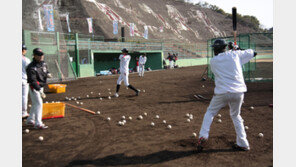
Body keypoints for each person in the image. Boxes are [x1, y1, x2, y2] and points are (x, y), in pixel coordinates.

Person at [197, 39, 257, 152]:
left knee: (210, 112)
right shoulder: (235, 55)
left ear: (216, 49)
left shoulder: (213, 61)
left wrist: (235, 51)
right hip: (238, 92)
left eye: (214, 48)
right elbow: (254, 53)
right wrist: (238, 49)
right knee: (236, 116)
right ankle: (243, 143)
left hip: (222, 92)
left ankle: (203, 135)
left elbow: (230, 60)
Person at [26, 48, 50, 129]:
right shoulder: (31, 67)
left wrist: (48, 74)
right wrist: (39, 89)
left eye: (42, 54)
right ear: (34, 56)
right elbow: (32, 80)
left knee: (35, 103)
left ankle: (30, 119)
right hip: (34, 87)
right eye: (39, 55)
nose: (41, 56)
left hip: (41, 86)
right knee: (39, 103)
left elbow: (46, 71)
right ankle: (38, 123)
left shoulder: (43, 64)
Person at [22, 45, 31, 118]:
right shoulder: (26, 59)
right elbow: (30, 70)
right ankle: (23, 112)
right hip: (23, 80)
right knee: (24, 96)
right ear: (23, 50)